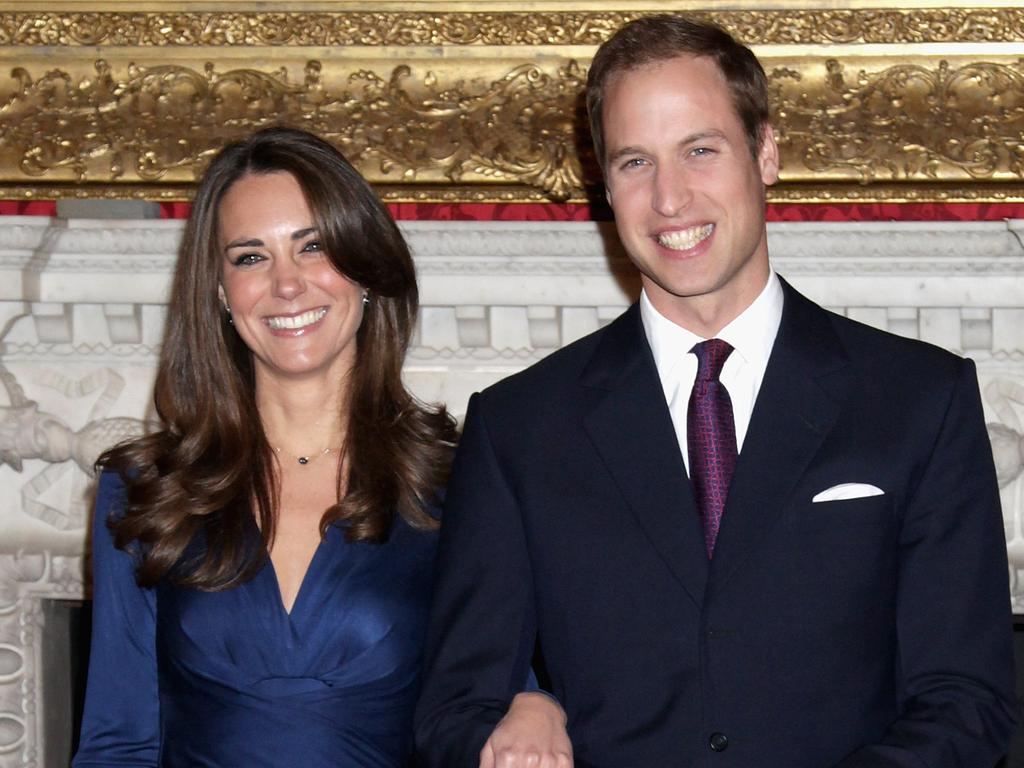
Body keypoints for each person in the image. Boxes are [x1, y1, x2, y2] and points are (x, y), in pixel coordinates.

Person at [414, 15, 1018, 768]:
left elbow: (970, 700)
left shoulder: (921, 400)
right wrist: (516, 721)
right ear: (605, 183)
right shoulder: (519, 428)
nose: (670, 198)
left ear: (765, 153)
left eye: (700, 150)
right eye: (636, 162)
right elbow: (453, 712)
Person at [73, 127, 566, 767]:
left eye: (314, 247)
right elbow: (117, 743)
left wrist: (540, 704)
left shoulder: (461, 480)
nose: (287, 285)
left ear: (364, 268)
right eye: (250, 257)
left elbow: (505, 696)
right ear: (220, 294)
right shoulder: (145, 489)